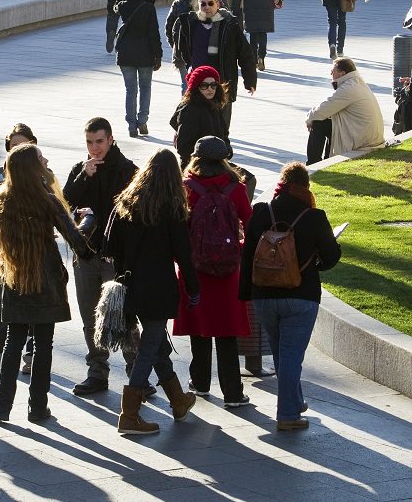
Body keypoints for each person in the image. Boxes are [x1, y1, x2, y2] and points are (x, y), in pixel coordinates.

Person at [0, 144, 94, 424]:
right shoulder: (47, 200)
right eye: (40, 159)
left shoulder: (3, 200)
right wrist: (89, 221)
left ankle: (1, 406)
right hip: (46, 281)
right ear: (33, 169)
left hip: (16, 278)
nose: (45, 161)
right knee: (44, 345)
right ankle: (38, 407)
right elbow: (77, 242)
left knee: (12, 343)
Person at [239, 161, 341, 431]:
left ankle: (294, 402)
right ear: (305, 187)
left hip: (264, 295)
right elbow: (331, 256)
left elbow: (248, 253)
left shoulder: (261, 212)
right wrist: (315, 264)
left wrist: (245, 293)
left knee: (282, 353)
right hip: (301, 295)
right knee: (292, 355)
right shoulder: (314, 216)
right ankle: (287, 415)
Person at [106, 149, 201, 435]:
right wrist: (194, 290)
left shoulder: (125, 202)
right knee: (149, 347)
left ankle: (178, 400)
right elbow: (184, 256)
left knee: (156, 344)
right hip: (159, 288)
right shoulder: (172, 208)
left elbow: (108, 247)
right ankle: (129, 414)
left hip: (131, 286)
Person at [173, 136, 252, 407]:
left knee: (200, 327)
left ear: (196, 158)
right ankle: (233, 393)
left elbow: (178, 229)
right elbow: (250, 224)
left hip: (196, 269)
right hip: (228, 271)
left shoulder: (186, 188)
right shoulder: (237, 189)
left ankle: (201, 383)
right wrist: (238, 248)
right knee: (226, 332)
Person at [62, 118, 138, 396]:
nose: (95, 148)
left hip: (116, 259)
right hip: (85, 255)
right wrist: (84, 177)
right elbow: (64, 203)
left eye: (99, 142)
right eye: (89, 143)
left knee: (124, 315)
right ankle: (97, 372)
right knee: (89, 316)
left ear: (111, 139)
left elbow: (134, 212)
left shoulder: (127, 170)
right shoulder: (80, 170)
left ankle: (136, 372)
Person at [0, 123, 38, 375]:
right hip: (5, 252)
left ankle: (31, 356)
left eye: (23, 145)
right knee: (4, 303)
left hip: (33, 251)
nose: (17, 151)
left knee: (35, 306)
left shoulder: (41, 173)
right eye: (13, 146)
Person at [171, 0, 257, 129]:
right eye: (203, 4)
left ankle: (221, 148)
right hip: (198, 82)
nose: (206, 7)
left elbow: (245, 54)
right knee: (198, 122)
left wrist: (250, 80)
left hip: (222, 83)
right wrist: (191, 68)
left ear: (217, 4)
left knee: (222, 126)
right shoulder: (190, 23)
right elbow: (184, 50)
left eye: (210, 3)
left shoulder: (229, 24)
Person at [305, 58, 384, 165]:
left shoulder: (349, 87)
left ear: (342, 73)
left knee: (318, 123)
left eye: (333, 71)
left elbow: (325, 108)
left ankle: (312, 164)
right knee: (326, 121)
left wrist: (309, 118)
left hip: (363, 138)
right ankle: (326, 160)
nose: (330, 74)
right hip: (363, 132)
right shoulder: (356, 82)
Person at [113, 0, 162, 137]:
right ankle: (142, 121)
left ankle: (131, 125)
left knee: (130, 90)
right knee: (146, 87)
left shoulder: (122, 6)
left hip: (126, 54)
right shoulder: (148, 7)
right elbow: (154, 33)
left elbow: (115, 5)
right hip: (145, 54)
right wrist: (158, 54)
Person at [170, 65, 230, 167]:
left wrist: (227, 150)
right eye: (204, 85)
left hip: (217, 162)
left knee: (248, 179)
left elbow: (224, 134)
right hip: (195, 166)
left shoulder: (215, 105)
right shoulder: (190, 109)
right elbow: (183, 147)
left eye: (213, 85)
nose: (210, 89)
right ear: (196, 87)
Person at [165, 0, 213, 93]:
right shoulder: (212, 2)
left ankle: (187, 110)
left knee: (186, 84)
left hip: (182, 50)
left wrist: (175, 45)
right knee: (207, 84)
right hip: (207, 51)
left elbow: (169, 27)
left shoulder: (178, 3)